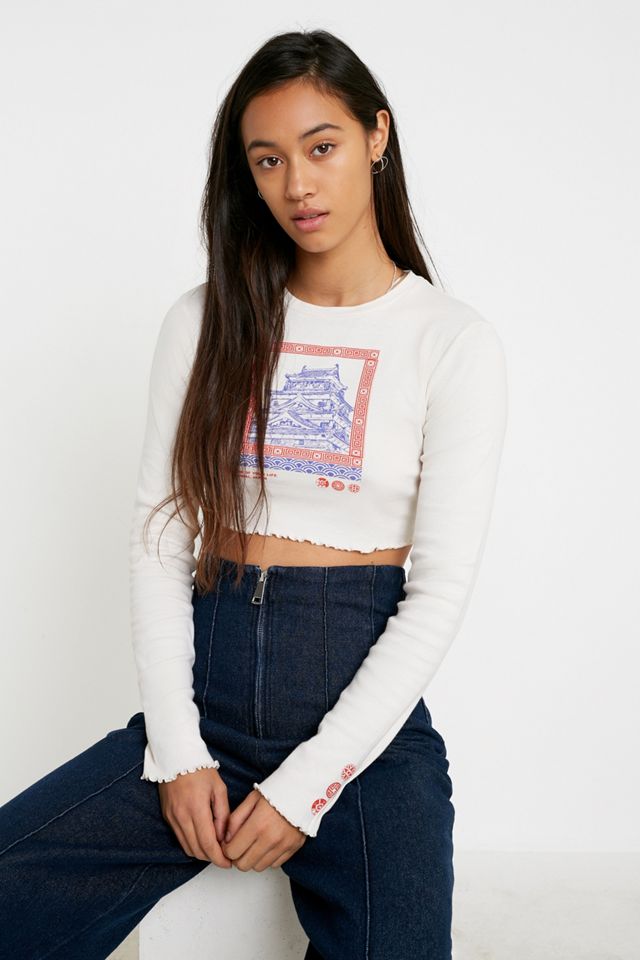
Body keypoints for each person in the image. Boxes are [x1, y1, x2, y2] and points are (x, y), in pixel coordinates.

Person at [0, 27, 508, 960]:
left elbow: (437, 594)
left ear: (377, 136)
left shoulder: (450, 341)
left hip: (365, 733)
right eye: (268, 160)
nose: (297, 185)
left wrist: (307, 787)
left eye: (322, 147)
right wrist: (178, 750)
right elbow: (160, 537)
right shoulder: (206, 320)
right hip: (209, 698)